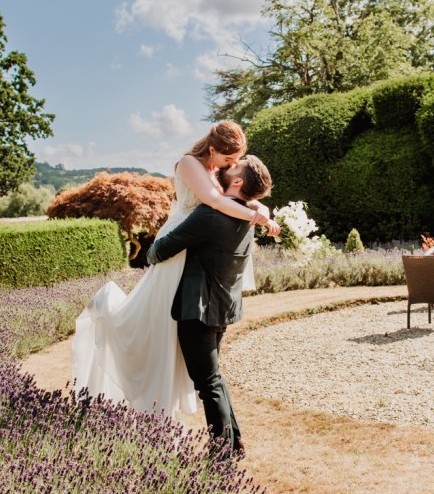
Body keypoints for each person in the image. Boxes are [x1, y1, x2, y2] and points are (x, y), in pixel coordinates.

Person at [71, 121, 279, 417]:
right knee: (158, 320)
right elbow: (215, 201)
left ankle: (179, 400)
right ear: (212, 149)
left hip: (197, 243)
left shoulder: (218, 172)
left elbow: (245, 196)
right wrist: (255, 217)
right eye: (228, 159)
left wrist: (263, 212)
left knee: (187, 343)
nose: (231, 165)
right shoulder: (189, 163)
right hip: (181, 238)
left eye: (236, 161)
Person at [147, 154, 274, 456]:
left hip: (198, 310)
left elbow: (162, 251)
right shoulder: (247, 216)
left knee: (207, 383)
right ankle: (235, 440)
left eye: (234, 167)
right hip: (222, 308)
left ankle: (222, 452)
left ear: (238, 181)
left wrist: (150, 251)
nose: (227, 167)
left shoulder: (210, 216)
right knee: (213, 377)